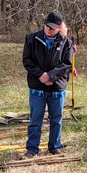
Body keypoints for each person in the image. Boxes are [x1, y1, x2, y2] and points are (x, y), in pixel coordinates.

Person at [23, 10, 74, 156]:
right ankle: (32, 149)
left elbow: (67, 64)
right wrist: (41, 75)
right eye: (47, 26)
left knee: (56, 119)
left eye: (52, 27)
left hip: (56, 87)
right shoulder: (32, 39)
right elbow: (27, 60)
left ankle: (54, 146)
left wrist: (51, 76)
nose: (48, 29)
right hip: (37, 86)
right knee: (35, 119)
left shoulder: (67, 43)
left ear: (59, 28)